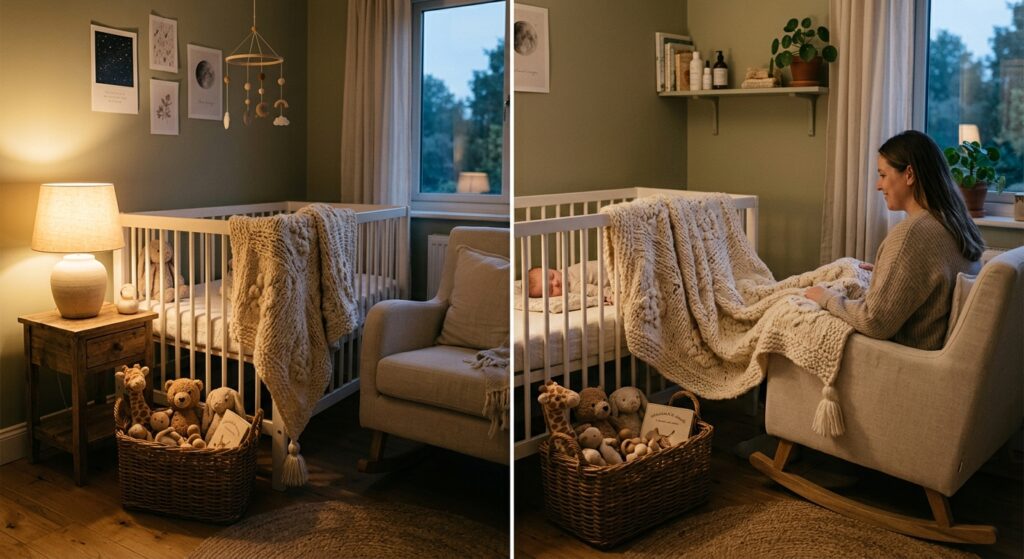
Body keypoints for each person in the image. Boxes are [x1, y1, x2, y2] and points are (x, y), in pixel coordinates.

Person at [804, 129, 983, 350]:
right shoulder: (955, 222)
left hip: (904, 354)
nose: (879, 185)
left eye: (883, 175)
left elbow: (874, 322)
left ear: (909, 174)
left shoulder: (912, 234)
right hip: (936, 348)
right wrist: (886, 272)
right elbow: (931, 278)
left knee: (794, 314)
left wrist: (827, 298)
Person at [526, 261, 610, 299]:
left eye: (552, 276)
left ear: (551, 269)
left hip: (612, 270)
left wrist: (609, 296)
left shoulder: (571, 282)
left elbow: (594, 291)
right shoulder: (573, 287)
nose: (556, 283)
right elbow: (595, 290)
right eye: (551, 289)